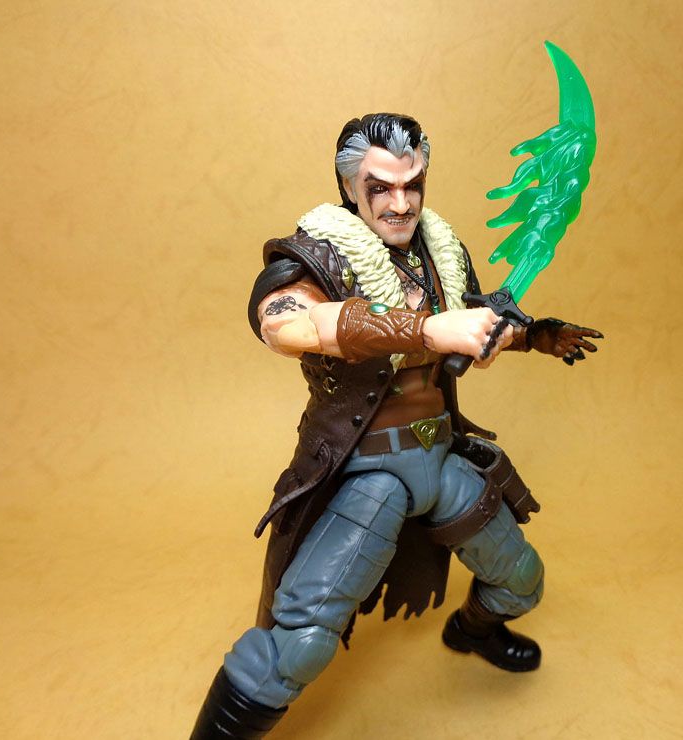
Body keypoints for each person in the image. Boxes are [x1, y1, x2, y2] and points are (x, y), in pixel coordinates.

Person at [191, 113, 601, 739]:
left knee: (522, 583)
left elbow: (476, 321)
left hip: (440, 457)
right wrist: (425, 330)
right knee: (299, 641)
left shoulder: (440, 252)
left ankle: (472, 632)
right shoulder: (319, 253)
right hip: (372, 473)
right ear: (348, 186)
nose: (401, 203)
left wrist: (532, 335)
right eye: (380, 187)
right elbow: (284, 323)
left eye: (413, 185)